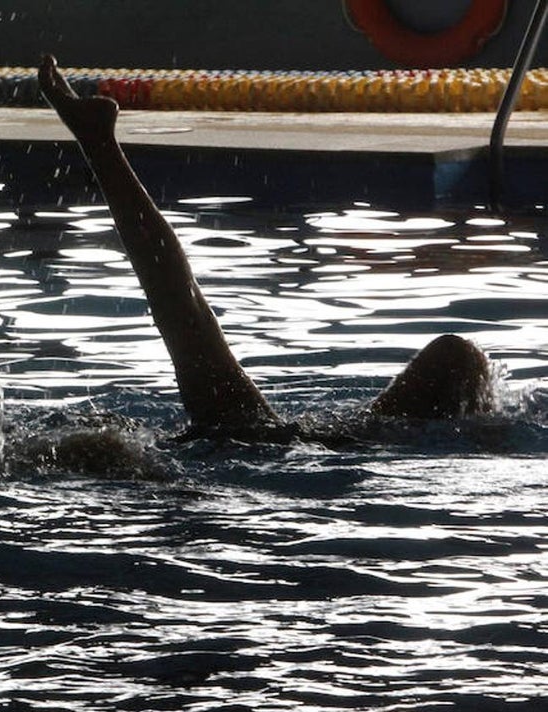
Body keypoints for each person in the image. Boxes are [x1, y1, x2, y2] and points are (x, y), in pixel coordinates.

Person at [37, 55, 494, 438]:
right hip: (262, 438)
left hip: (257, 440)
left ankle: (98, 144)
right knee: (183, 309)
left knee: (183, 308)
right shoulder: (379, 437)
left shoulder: (370, 438)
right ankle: (98, 143)